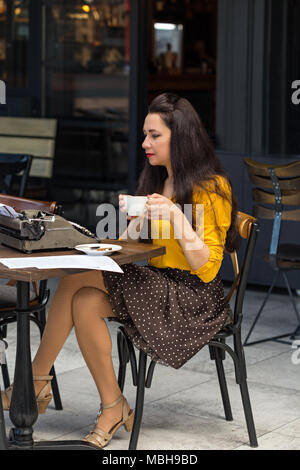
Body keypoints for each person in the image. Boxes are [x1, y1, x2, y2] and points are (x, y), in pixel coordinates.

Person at [1, 93, 238, 449]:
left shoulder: (212, 187)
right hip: (161, 285)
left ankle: (36, 383)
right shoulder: (160, 181)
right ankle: (111, 405)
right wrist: (134, 227)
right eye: (145, 134)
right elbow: (134, 249)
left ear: (182, 136)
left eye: (155, 135)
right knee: (83, 298)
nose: (145, 142)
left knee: (79, 278)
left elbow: (208, 268)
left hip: (193, 299)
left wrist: (175, 217)